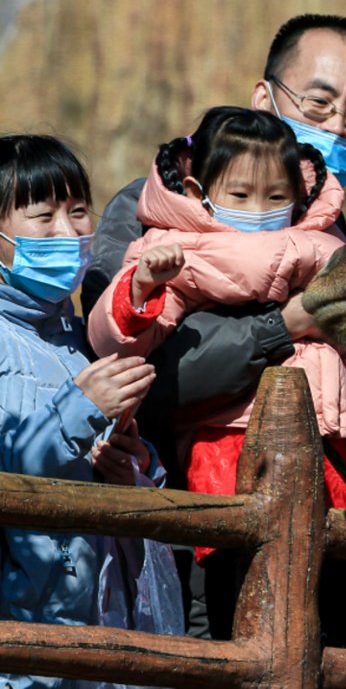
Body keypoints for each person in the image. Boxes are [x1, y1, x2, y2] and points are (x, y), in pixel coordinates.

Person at [87, 107, 346, 517]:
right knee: (244, 554)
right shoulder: (178, 252)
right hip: (229, 446)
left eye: (276, 197)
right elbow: (127, 345)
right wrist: (141, 286)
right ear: (195, 191)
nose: (259, 209)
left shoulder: (327, 252)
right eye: (240, 196)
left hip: (335, 444)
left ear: (298, 194)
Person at [0, 134, 168, 688]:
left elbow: (141, 477)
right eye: (43, 217)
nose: (69, 234)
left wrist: (131, 466)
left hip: (106, 628)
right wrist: (77, 412)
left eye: (77, 213)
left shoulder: (84, 338)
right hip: (25, 639)